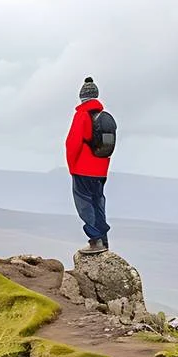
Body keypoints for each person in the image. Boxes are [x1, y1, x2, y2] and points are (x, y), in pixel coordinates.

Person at [66, 76, 111, 254]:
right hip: (101, 170)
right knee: (98, 202)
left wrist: (72, 167)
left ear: (82, 97)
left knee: (84, 203)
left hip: (82, 169)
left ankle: (95, 240)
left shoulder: (82, 115)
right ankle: (104, 241)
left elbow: (72, 144)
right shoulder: (103, 117)